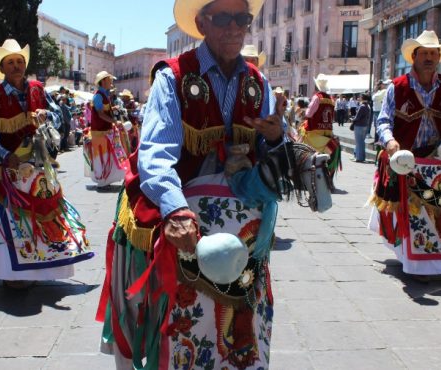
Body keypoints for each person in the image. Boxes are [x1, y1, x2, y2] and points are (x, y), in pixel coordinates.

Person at [97, 0, 317, 367]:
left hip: (238, 219)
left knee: (244, 306)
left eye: (242, 19)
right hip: (182, 209)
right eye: (223, 18)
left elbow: (272, 150)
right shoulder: (173, 76)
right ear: (201, 23)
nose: (235, 28)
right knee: (162, 305)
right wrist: (175, 209)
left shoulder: (257, 81)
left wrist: (278, 137)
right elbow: (154, 153)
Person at [0, 39, 93, 289]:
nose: (16, 66)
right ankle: (10, 272)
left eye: (20, 61)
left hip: (34, 163)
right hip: (1, 165)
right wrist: (6, 157)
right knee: (7, 218)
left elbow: (57, 116)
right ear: (2, 67)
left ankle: (37, 267)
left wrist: (46, 115)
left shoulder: (37, 90)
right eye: (10, 62)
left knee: (40, 211)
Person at [370, 30, 441, 282]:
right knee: (414, 214)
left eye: (434, 53)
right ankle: (417, 266)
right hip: (407, 160)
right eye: (425, 53)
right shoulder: (397, 87)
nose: (430, 58)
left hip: (437, 161)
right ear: (414, 56)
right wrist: (390, 142)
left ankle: (440, 263)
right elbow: (383, 121)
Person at [85, 71, 128, 190]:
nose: (111, 82)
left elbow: (103, 111)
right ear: (103, 81)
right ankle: (102, 179)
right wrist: (114, 121)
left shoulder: (104, 95)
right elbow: (100, 114)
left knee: (107, 155)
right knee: (102, 156)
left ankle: (106, 179)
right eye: (109, 80)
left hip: (104, 131)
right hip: (99, 132)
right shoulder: (98, 95)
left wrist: (112, 109)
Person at [301, 73, 341, 188]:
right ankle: (329, 181)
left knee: (301, 149)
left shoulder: (317, 97)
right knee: (333, 151)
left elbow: (309, 114)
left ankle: (303, 177)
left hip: (314, 134)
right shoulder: (331, 99)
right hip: (327, 134)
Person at [351, 94, 370, 163]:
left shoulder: (362, 106)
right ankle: (362, 157)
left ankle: (359, 157)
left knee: (359, 142)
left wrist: (352, 119)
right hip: (365, 125)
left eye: (360, 97)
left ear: (362, 98)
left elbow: (357, 117)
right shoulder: (367, 106)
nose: (359, 98)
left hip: (359, 125)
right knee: (362, 142)